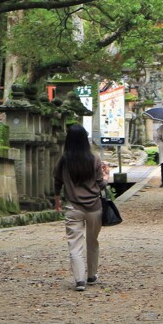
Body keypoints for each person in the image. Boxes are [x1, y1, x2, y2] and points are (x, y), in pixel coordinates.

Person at [54, 124, 110, 291]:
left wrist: (57, 199)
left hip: (73, 207)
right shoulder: (94, 159)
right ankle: (91, 275)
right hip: (94, 208)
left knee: (74, 244)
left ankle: (79, 280)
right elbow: (100, 183)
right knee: (92, 241)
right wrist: (107, 176)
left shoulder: (64, 160)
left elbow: (57, 181)